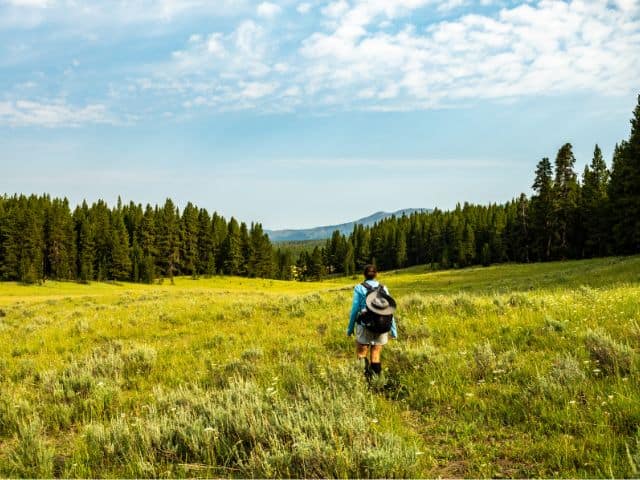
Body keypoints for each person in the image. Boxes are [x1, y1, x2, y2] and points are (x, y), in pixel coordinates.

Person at [347, 264, 397, 378]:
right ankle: (376, 382)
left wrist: (350, 329)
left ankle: (364, 381)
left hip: (364, 325)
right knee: (375, 355)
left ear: (364, 275)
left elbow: (355, 309)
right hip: (382, 325)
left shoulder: (359, 288)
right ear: (376, 274)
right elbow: (388, 310)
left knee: (361, 354)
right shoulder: (384, 288)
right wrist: (393, 330)